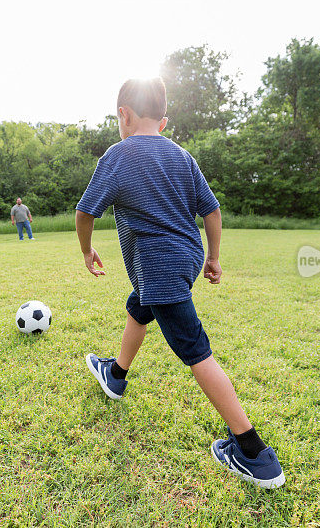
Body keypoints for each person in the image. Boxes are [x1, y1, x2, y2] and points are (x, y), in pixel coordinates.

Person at [74, 77, 285, 489]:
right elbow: (212, 210)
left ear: (123, 114)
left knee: (196, 351)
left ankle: (254, 453)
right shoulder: (182, 155)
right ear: (165, 120)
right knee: (141, 304)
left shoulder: (118, 155)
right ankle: (115, 374)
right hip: (185, 258)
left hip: (159, 265)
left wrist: (86, 251)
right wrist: (213, 256)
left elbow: (85, 213)